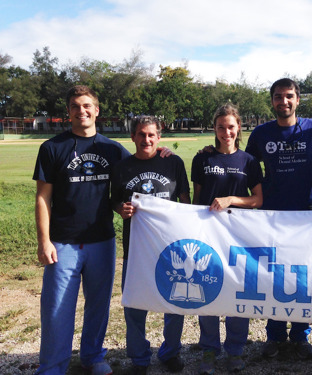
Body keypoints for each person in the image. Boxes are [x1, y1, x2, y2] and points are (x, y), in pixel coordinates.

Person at [33, 85, 130, 375]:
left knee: (98, 305)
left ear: (96, 110)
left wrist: (161, 152)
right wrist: (44, 241)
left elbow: (138, 166)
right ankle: (52, 366)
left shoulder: (112, 149)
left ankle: (92, 356)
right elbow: (42, 197)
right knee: (57, 309)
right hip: (63, 242)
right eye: (75, 106)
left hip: (102, 240)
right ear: (69, 111)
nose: (81, 111)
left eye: (87, 105)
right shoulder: (52, 147)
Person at [244, 78, 312, 359]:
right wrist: (211, 151)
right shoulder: (261, 134)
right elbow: (244, 166)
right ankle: (274, 337)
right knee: (274, 278)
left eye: (288, 96)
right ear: (271, 101)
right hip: (271, 216)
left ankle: (299, 336)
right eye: (277, 97)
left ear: (297, 100)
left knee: (302, 277)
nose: (283, 101)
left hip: (305, 215)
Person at [111, 115, 190, 375]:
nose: (146, 139)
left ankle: (170, 352)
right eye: (141, 134)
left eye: (151, 135)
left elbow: (185, 201)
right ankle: (139, 358)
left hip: (170, 247)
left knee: (175, 302)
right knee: (134, 304)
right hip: (136, 249)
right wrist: (120, 209)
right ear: (133, 137)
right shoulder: (122, 167)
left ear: (159, 137)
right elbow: (113, 201)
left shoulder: (173, 163)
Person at [191, 103, 263, 374]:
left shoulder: (248, 161)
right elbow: (197, 200)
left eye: (231, 126)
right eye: (220, 127)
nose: (226, 132)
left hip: (238, 235)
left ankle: (235, 349)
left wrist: (232, 199)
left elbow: (258, 200)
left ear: (238, 128)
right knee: (207, 289)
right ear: (215, 129)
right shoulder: (202, 159)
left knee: (236, 290)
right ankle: (209, 348)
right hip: (208, 235)